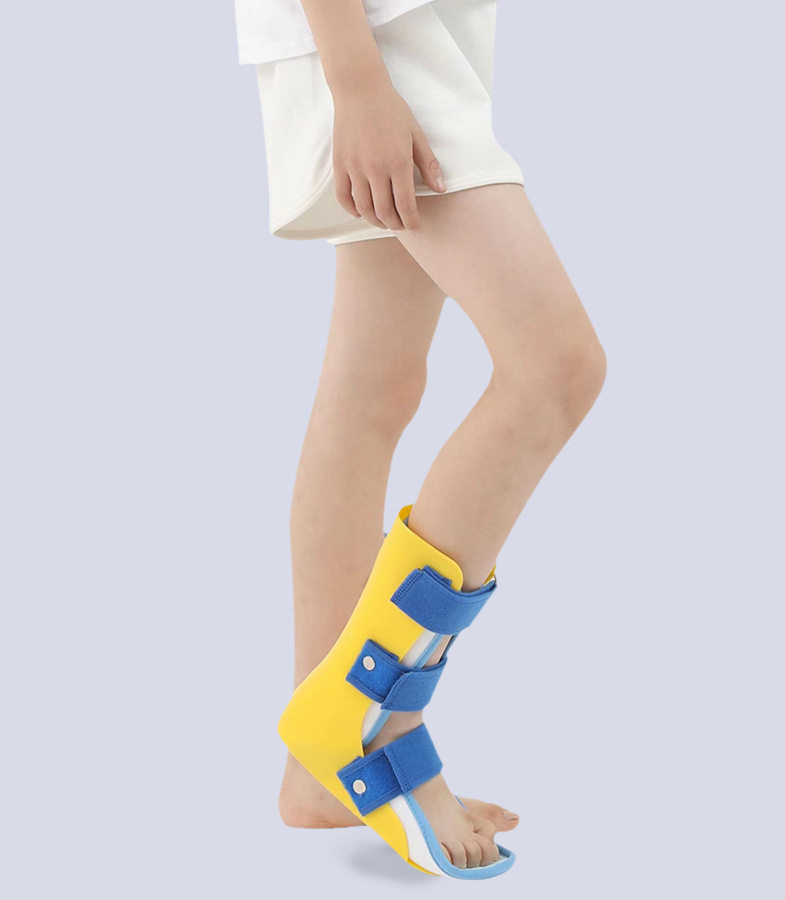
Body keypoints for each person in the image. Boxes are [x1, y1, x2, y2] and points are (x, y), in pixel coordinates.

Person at [235, 0, 607, 875]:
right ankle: (374, 717)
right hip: (369, 37)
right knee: (556, 369)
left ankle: (319, 776)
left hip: (418, 30)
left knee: (375, 389)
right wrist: (357, 79)